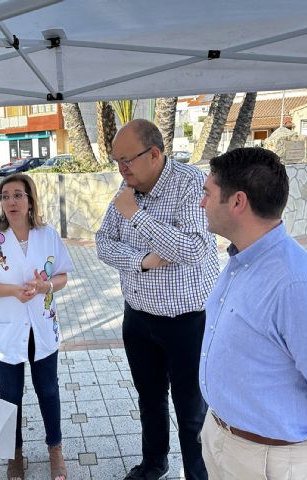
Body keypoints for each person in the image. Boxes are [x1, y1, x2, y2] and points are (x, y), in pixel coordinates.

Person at [199, 147, 307, 479]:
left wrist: (306, 444)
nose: (202, 204)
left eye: (208, 193)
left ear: (238, 202)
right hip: (226, 441)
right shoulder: (243, 261)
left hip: (273, 461)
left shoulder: (298, 286)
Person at [96, 119, 218, 480]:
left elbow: (193, 248)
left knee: (191, 409)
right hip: (138, 316)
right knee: (149, 398)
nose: (122, 169)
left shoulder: (190, 184)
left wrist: (136, 216)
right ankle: (154, 464)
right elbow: (104, 242)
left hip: (187, 321)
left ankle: (198, 474)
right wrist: (144, 261)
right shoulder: (127, 186)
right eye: (117, 161)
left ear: (154, 154)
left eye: (127, 160)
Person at [0, 173, 73, 480]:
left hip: (41, 326)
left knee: (49, 391)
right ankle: (14, 453)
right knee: (10, 395)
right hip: (6, 330)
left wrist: (45, 286)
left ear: (30, 200)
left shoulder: (47, 234)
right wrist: (13, 291)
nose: (11, 201)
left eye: (17, 195)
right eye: (5, 196)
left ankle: (55, 449)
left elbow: (63, 277)